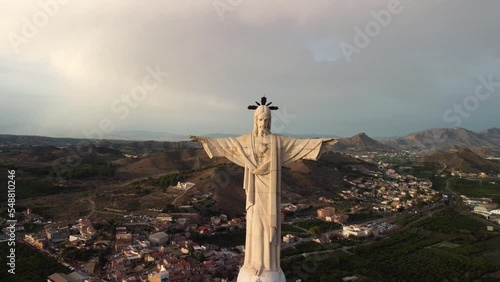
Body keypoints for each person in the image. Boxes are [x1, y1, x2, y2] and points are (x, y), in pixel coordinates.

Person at [191, 105, 334, 281]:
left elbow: (298, 145)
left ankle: (269, 266)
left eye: (267, 120)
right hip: (255, 192)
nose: (263, 123)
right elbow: (228, 144)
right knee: (254, 226)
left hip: (270, 193)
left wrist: (319, 142)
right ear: (255, 120)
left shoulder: (276, 141)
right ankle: (253, 264)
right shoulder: (248, 140)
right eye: (260, 119)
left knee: (269, 226)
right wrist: (206, 141)